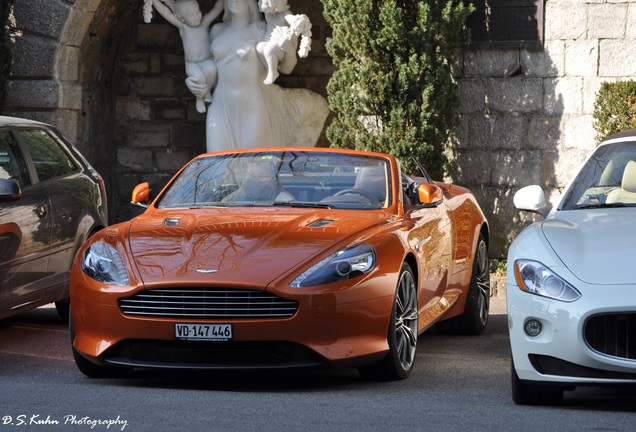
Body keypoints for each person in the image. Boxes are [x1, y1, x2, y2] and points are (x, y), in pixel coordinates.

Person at [149, 0, 224, 113]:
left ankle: (207, 90)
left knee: (212, 69)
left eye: (197, 11)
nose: (197, 15)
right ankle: (199, 98)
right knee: (199, 77)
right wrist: (154, 1)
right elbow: (166, 13)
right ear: (182, 18)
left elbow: (216, 9)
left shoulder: (204, 23)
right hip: (192, 64)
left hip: (206, 60)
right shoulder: (183, 27)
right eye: (192, 14)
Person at [256, 0, 312, 85]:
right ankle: (270, 68)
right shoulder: (268, 13)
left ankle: (273, 72)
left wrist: (297, 21)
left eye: (264, 1)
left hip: (282, 46)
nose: (260, 3)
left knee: (269, 49)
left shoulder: (284, 13)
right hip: (271, 39)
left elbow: (293, 20)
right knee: (259, 47)